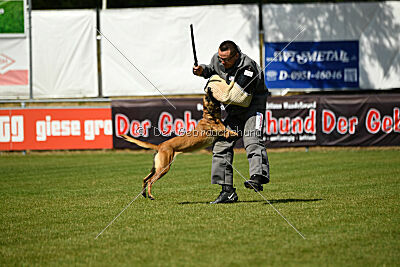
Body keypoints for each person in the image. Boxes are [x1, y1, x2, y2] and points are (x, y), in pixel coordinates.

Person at [193, 40, 270, 204]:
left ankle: (258, 176)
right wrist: (202, 71)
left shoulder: (249, 68)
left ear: (236, 55)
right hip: (234, 111)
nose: (222, 62)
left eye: (226, 59)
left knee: (252, 139)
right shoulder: (218, 59)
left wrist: (213, 86)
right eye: (220, 58)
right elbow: (211, 70)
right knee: (221, 144)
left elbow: (238, 97)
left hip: (252, 108)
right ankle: (227, 191)